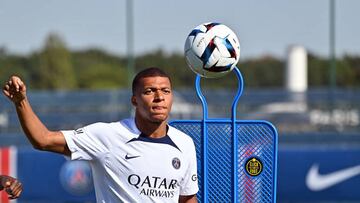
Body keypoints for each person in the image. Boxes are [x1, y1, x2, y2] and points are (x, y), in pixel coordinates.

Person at [2, 67, 198, 203]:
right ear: (134, 100)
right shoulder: (108, 135)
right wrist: (21, 102)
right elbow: (43, 140)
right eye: (149, 91)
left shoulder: (184, 143)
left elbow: (187, 198)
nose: (159, 97)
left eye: (166, 91)